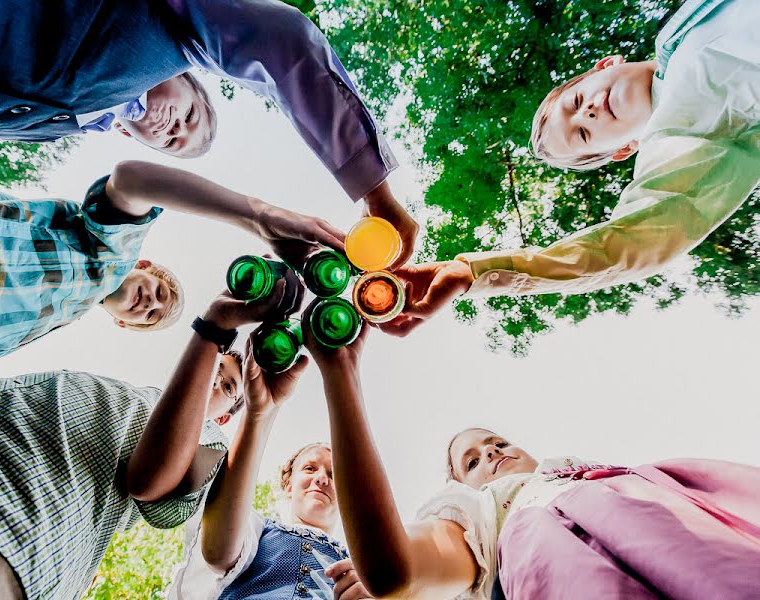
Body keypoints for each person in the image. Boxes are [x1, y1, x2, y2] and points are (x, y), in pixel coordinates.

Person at [0, 0, 418, 263]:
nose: (175, 129)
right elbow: (280, 39)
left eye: (173, 143)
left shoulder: (47, 129)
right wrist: (377, 193)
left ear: (137, 142)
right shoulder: (163, 27)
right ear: (189, 76)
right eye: (191, 118)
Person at [0, 287, 286, 599]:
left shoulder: (210, 441)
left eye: (229, 386)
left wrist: (212, 331)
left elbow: (149, 481)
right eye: (218, 367)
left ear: (229, 414)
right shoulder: (128, 392)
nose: (216, 377)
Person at [303, 311, 760, 598]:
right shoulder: (486, 519)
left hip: (700, 515)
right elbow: (394, 570)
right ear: (459, 489)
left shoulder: (610, 476)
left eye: (497, 442)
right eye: (473, 460)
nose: (492, 453)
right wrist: (341, 375)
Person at [377, 0, 759, 337]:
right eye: (584, 134)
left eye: (576, 101)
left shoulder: (677, 33)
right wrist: (475, 272)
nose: (589, 111)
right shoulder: (681, 140)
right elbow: (624, 245)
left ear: (605, 65)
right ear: (625, 150)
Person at [0, 147, 339, 389]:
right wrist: (257, 216)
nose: (151, 303)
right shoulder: (108, 255)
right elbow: (133, 179)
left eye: (151, 315)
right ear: (143, 265)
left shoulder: (48, 322)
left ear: (123, 324)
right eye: (158, 292)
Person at [168, 337, 372, 600]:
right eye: (310, 468)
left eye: (335, 476)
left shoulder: (363, 573)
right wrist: (260, 412)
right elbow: (218, 552)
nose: (321, 479)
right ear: (288, 485)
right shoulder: (258, 531)